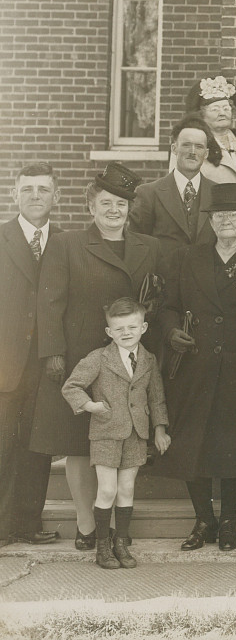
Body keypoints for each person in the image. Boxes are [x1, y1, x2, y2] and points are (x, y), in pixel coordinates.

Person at [31, 163, 162, 553]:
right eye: (106, 203)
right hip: (80, 358)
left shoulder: (148, 247)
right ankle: (88, 525)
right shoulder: (67, 244)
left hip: (127, 361)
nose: (113, 210)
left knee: (121, 440)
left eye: (121, 204)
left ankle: (117, 528)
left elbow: (157, 298)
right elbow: (49, 302)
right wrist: (53, 352)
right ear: (91, 206)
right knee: (77, 443)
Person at [152, 182, 236, 552]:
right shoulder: (185, 258)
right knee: (194, 442)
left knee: (235, 444)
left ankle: (228, 521)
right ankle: (203, 519)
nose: (225, 220)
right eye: (218, 215)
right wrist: (172, 330)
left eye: (233, 215)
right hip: (194, 365)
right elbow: (167, 305)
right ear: (210, 222)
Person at [60, 296, 170, 570]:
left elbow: (156, 397)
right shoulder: (99, 358)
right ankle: (102, 547)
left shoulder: (148, 359)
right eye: (119, 329)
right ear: (109, 332)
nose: (126, 333)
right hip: (106, 433)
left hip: (136, 435)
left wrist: (159, 430)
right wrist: (90, 406)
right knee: (107, 489)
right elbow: (71, 386)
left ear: (143, 327)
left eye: (132, 327)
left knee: (127, 488)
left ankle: (121, 543)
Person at [0, 163, 61, 545]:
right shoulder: (2, 238)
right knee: (3, 442)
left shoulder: (66, 242)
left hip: (48, 363)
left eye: (43, 189)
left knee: (39, 445)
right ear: (14, 195)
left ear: (56, 196)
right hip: (5, 362)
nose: (35, 196)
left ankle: (27, 522)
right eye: (28, 189)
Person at [129, 116, 218, 257]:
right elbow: (136, 244)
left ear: (206, 154)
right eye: (186, 145)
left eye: (199, 146)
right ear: (174, 149)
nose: (193, 152)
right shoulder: (148, 193)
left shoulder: (217, 193)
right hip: (164, 276)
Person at [186, 76, 236, 185]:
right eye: (215, 109)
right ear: (202, 114)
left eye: (226, 108)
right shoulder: (194, 142)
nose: (222, 113)